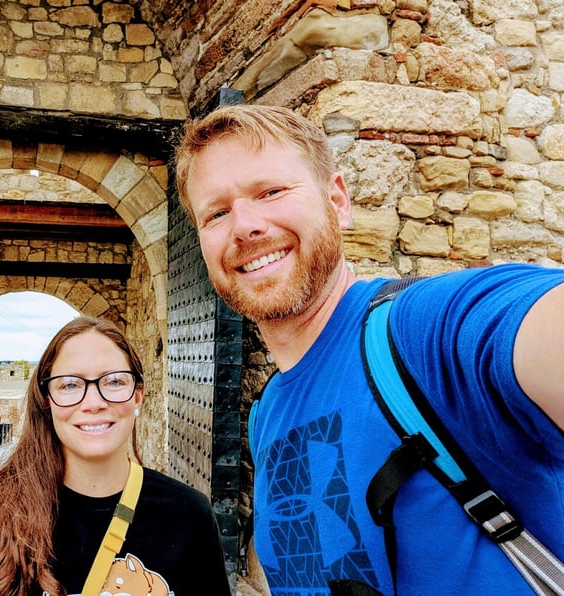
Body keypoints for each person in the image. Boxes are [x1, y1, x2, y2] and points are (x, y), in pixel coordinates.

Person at [174, 103, 564, 594]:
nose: (245, 226)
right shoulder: (267, 412)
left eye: (271, 191)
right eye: (217, 213)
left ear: (337, 201)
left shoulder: (426, 332)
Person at [0, 316, 231, 596]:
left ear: (138, 395)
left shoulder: (188, 515)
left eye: (113, 381)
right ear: (47, 400)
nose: (94, 401)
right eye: (71, 385)